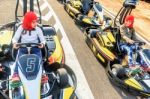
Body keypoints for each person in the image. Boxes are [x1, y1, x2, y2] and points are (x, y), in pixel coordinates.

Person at [12, 11, 46, 82]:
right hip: (23, 47)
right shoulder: (21, 28)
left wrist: (42, 44)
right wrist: (15, 43)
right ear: (27, 22)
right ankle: (16, 74)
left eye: (36, 21)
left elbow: (43, 40)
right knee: (19, 58)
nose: (35, 24)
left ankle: (42, 74)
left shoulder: (38, 29)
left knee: (39, 58)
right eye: (33, 22)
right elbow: (15, 38)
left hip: (35, 47)